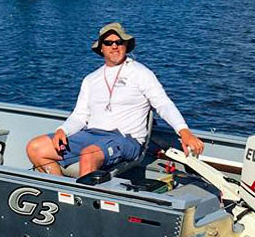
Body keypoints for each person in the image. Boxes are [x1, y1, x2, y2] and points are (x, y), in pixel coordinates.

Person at [26, 22, 204, 177]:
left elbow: (163, 104)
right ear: (101, 48)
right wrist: (62, 131)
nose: (114, 46)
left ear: (126, 45)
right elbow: (80, 116)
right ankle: (61, 193)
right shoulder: (91, 79)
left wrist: (184, 131)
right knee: (36, 147)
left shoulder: (141, 73)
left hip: (126, 140)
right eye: (108, 43)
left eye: (119, 42)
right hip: (91, 134)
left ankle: (85, 207)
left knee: (89, 154)